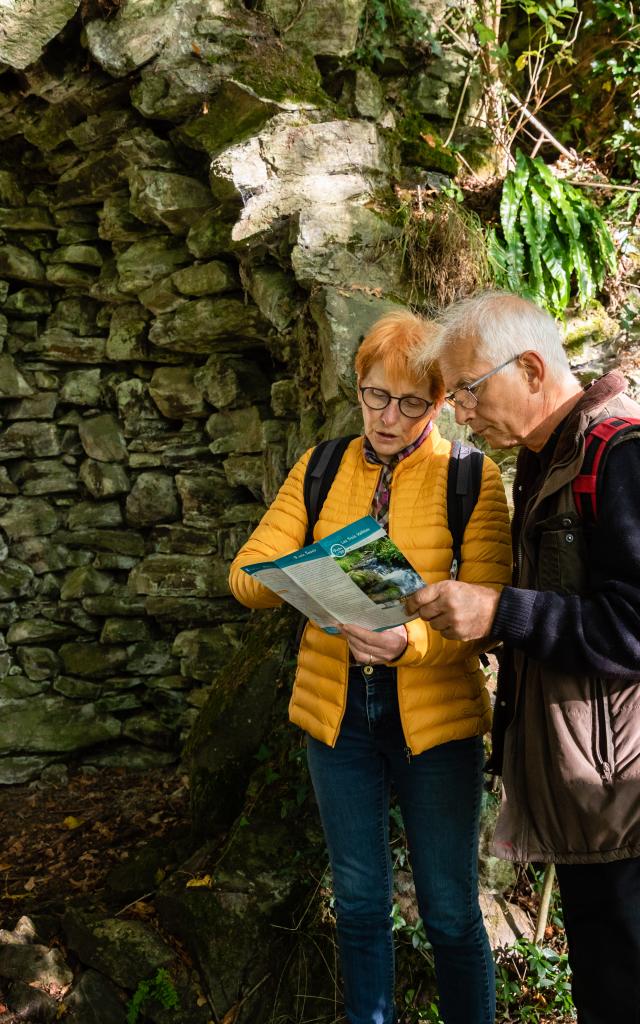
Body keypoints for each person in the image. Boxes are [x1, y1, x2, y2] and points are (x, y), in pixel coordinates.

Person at [229, 309, 512, 1024]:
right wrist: (297, 579)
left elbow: (489, 613)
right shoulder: (321, 466)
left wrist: (409, 642)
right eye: (375, 396)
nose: (388, 417)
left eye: (411, 402)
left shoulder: (471, 478)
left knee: (449, 911)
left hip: (435, 720)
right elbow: (245, 576)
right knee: (357, 903)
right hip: (339, 718)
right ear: (358, 389)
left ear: (442, 402)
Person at [406, 290, 640, 1024]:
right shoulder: (546, 459)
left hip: (627, 799)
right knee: (604, 991)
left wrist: (501, 610)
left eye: (468, 390)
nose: (458, 414)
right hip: (586, 797)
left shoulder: (619, 454)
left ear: (532, 368)